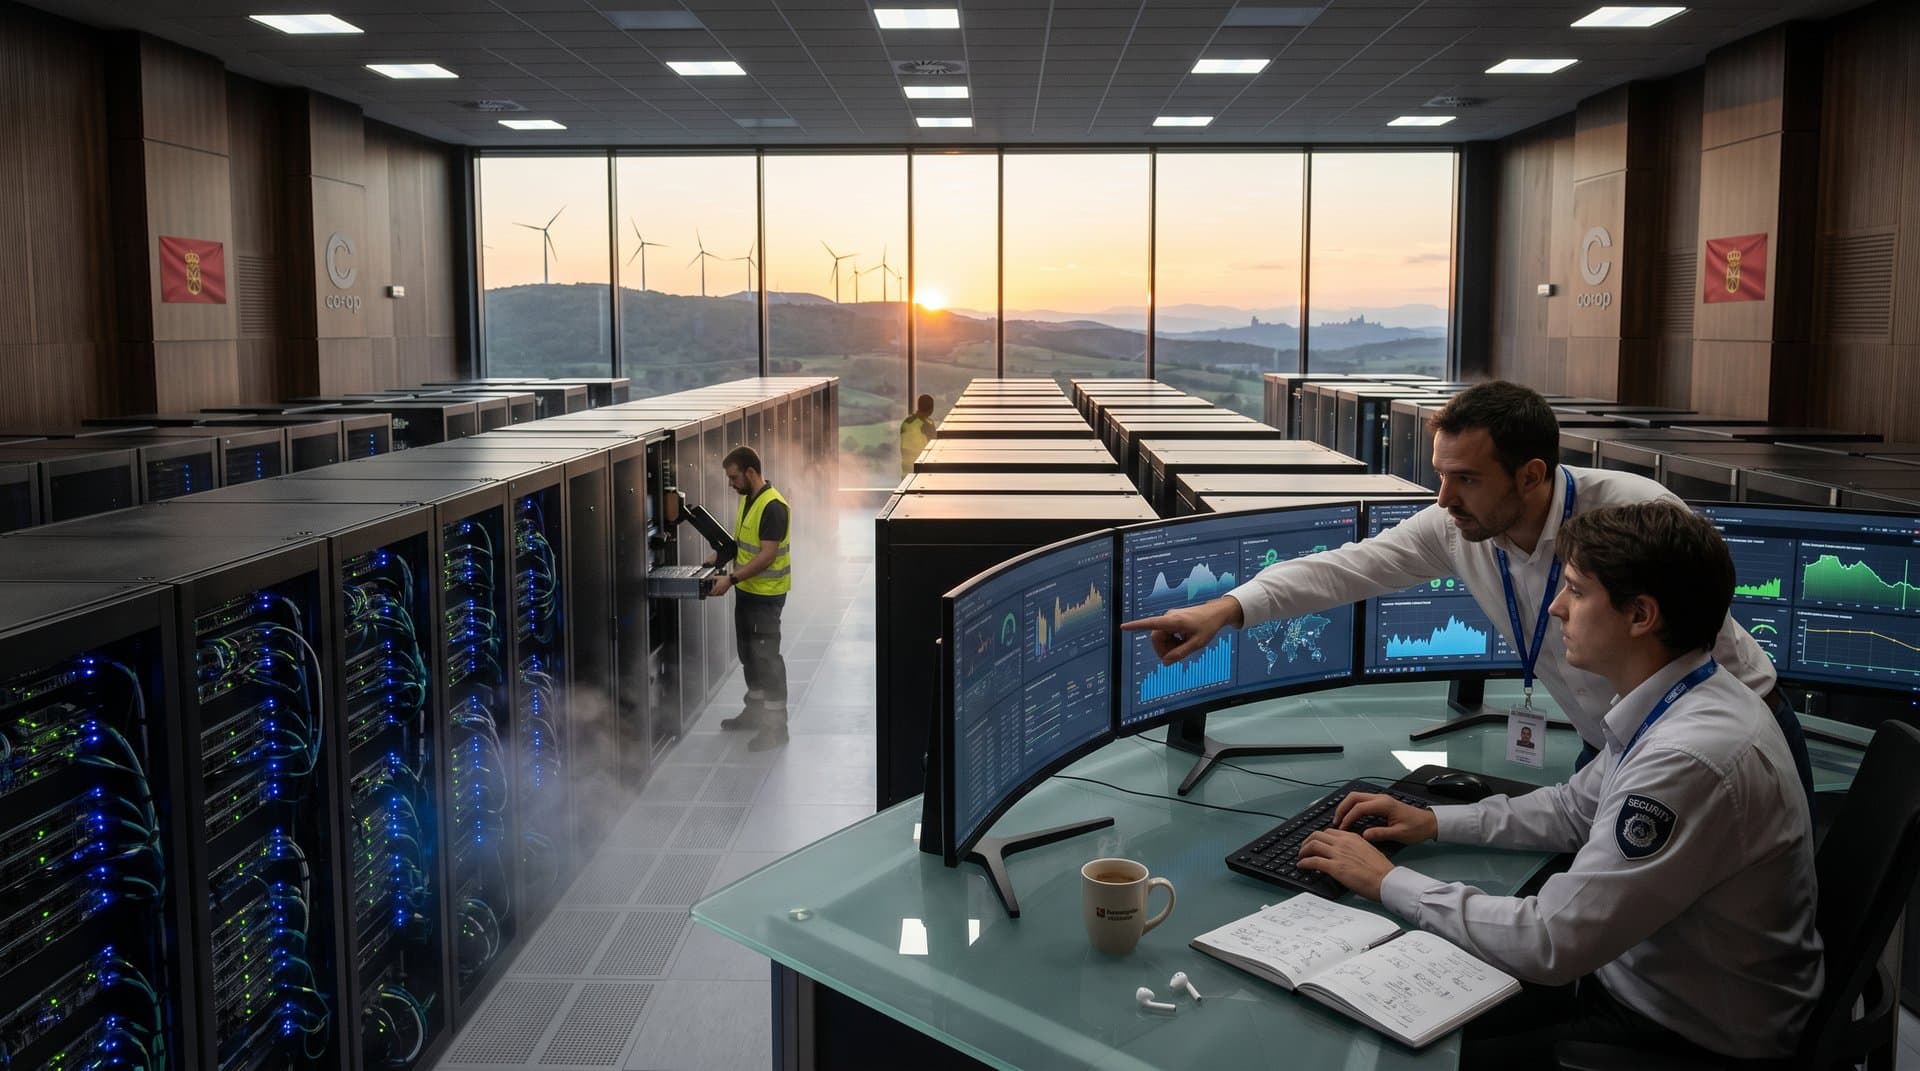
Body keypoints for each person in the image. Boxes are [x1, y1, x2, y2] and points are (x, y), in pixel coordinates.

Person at [1295, 502, 1822, 1066]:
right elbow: (1575, 809)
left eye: (1575, 590)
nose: (1555, 607)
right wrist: (1433, 822)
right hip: (1647, 980)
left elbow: (1550, 941)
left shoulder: (1688, 759)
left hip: (1680, 1035)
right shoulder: (1688, 692)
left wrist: (1388, 882)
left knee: (1395, 1049)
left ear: (1640, 615)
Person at [1120, 380, 1815, 806]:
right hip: (1615, 741)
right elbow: (1347, 566)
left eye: (1466, 479)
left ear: (1531, 475)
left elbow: (1693, 642)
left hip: (1717, 741)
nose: (1443, 499)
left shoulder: (1633, 517)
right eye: (1440, 475)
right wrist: (1227, 606)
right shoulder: (1460, 526)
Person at [711, 445, 792, 751]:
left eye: (733, 478)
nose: (731, 484)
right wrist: (718, 558)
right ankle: (755, 714)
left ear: (750, 472)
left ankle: (776, 728)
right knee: (749, 656)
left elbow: (767, 556)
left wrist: (730, 579)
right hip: (748, 593)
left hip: (766, 597)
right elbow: (744, 544)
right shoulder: (749, 501)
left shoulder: (773, 506)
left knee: (767, 660)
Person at [900, 394, 938, 475]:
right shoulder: (927, 424)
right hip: (921, 471)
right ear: (931, 409)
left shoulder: (906, 422)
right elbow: (934, 448)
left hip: (906, 472)